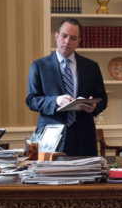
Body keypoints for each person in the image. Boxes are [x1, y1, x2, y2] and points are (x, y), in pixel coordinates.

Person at [26, 18, 108, 156]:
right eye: (64, 36)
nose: (67, 41)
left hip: (84, 137)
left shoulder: (91, 67)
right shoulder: (39, 66)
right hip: (51, 138)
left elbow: (103, 98)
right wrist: (56, 101)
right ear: (56, 36)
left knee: (87, 176)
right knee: (51, 177)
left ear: (78, 41)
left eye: (73, 38)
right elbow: (31, 100)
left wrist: (94, 107)